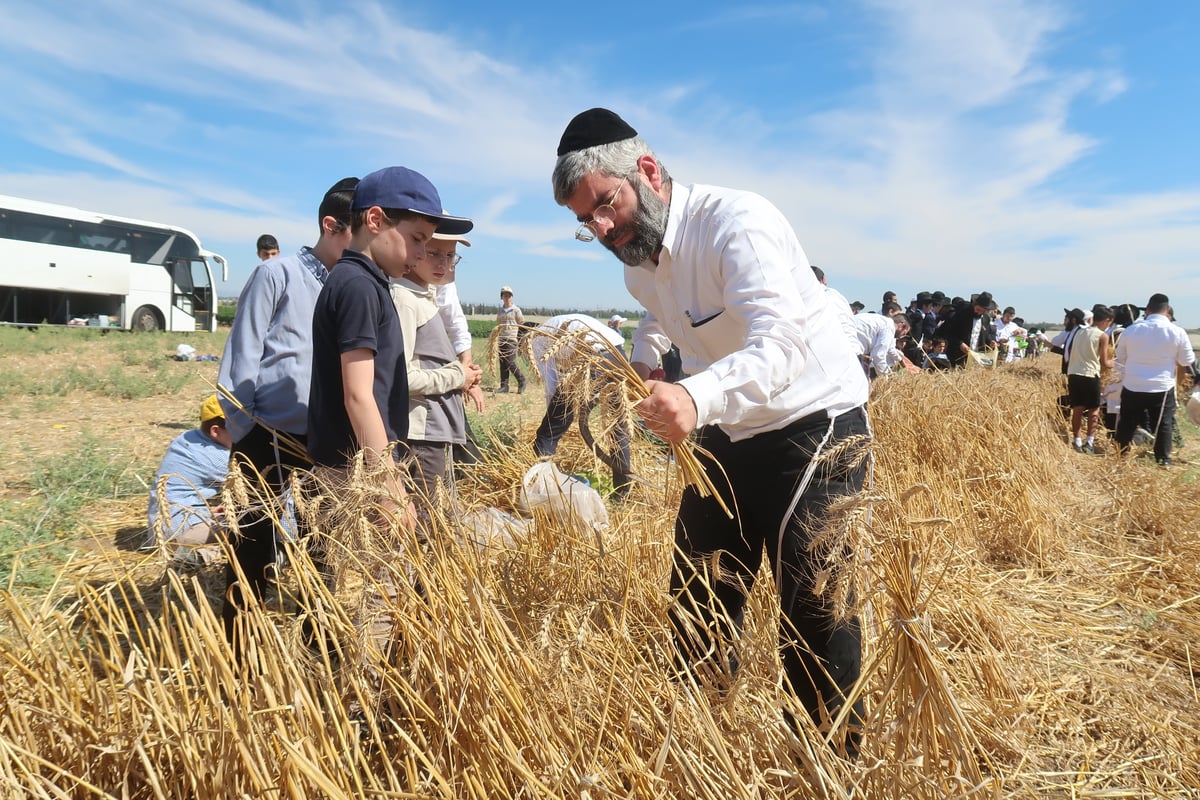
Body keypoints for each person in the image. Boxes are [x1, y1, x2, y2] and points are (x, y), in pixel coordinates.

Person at [551, 108, 871, 757]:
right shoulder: (638, 266)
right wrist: (647, 362)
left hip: (813, 421)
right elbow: (659, 317)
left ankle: (831, 765)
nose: (603, 228)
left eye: (606, 206)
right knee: (698, 593)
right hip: (728, 425)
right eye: (586, 222)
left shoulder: (735, 223)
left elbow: (781, 345)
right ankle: (701, 754)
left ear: (647, 171)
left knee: (814, 607)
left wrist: (694, 398)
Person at [218, 177, 357, 644]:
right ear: (331, 225)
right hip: (267, 434)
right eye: (361, 232)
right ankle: (240, 647)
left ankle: (318, 638)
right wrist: (245, 430)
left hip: (325, 438)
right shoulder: (277, 275)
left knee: (324, 543)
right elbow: (243, 353)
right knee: (254, 542)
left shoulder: (348, 286)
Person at [389, 220, 481, 512]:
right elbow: (402, 377)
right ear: (416, 250)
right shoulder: (404, 299)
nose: (444, 263)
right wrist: (458, 375)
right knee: (431, 527)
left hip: (437, 432)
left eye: (450, 256)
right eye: (434, 253)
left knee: (442, 521)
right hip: (422, 434)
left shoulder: (425, 296)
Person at [531, 313, 633, 497]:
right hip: (618, 354)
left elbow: (551, 383)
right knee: (618, 427)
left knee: (547, 434)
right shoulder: (554, 325)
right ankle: (622, 492)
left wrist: (554, 417)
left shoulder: (535, 340)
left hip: (592, 360)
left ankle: (541, 489)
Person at [145, 394, 232, 563]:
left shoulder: (189, 437)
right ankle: (199, 556)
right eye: (240, 427)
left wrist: (204, 513)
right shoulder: (218, 458)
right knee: (251, 530)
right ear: (216, 431)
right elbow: (259, 486)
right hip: (178, 531)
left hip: (161, 526)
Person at [1114, 293, 1195, 467]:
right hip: (1162, 386)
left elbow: (1120, 357)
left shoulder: (1132, 330)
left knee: (1127, 422)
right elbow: (1187, 361)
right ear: (1167, 310)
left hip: (1133, 384)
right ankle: (1163, 460)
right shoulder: (1177, 332)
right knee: (1163, 424)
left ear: (1148, 310)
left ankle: (1120, 456)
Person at [1059, 307, 1112, 454]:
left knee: (1077, 408)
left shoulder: (1078, 332)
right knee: (1094, 409)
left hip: (1074, 374)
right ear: (1106, 321)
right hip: (1090, 374)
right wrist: (1117, 363)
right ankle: (1089, 442)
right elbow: (1105, 362)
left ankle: (1076, 440)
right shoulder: (1102, 336)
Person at [940, 291, 996, 367]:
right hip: (958, 356)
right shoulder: (962, 314)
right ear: (974, 305)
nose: (979, 313)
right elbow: (949, 333)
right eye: (978, 309)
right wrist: (960, 344)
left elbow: (985, 336)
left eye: (982, 311)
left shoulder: (986, 319)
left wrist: (991, 342)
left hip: (977, 358)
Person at [495, 286, 526, 393]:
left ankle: (521, 380)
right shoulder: (500, 311)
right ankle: (504, 386)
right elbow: (499, 323)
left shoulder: (516, 310)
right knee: (503, 363)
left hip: (512, 340)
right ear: (502, 297)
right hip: (502, 339)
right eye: (505, 295)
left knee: (510, 362)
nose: (507, 297)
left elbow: (521, 323)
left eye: (509, 295)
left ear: (512, 297)